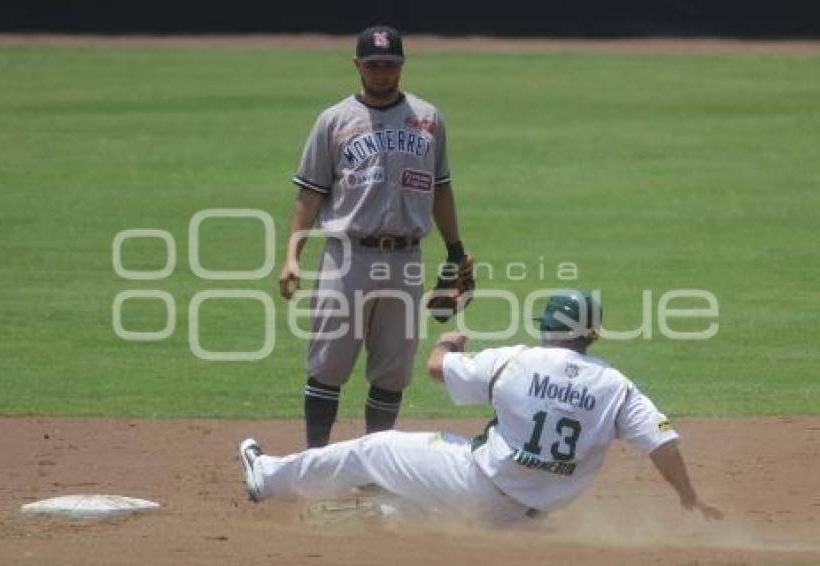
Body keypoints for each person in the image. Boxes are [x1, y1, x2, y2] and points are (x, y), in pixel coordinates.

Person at [238, 290, 723, 526]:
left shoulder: (518, 359)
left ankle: (270, 477)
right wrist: (687, 497)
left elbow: (435, 368)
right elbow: (663, 441)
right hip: (528, 520)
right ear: (591, 334)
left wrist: (449, 340)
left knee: (377, 448)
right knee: (436, 504)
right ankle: (365, 516)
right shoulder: (617, 387)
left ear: (548, 327)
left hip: (477, 485)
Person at [277, 25, 469, 448]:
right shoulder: (334, 120)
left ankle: (373, 463)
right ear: (357, 65)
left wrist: (456, 250)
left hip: (405, 259)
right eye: (373, 65)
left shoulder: (428, 119)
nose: (382, 72)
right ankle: (316, 459)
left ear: (401, 65)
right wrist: (293, 255)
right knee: (328, 365)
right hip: (348, 258)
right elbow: (309, 193)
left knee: (393, 370)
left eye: (390, 64)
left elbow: (441, 188)